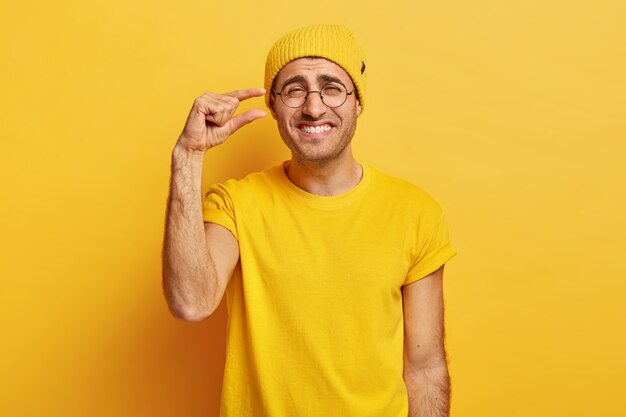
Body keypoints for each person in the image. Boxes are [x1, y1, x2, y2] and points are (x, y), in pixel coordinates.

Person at [162, 24, 457, 417]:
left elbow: (424, 369)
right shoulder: (236, 203)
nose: (314, 107)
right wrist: (188, 157)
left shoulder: (415, 212)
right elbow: (191, 303)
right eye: (295, 89)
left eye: (332, 87)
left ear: (358, 102)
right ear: (272, 106)